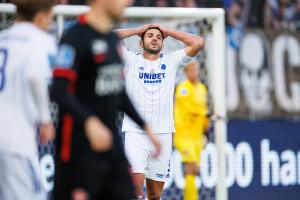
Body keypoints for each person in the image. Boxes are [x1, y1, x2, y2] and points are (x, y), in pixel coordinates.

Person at [51, 0, 161, 200]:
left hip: (111, 147)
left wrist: (146, 127)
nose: (129, 2)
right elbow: (58, 90)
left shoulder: (112, 39)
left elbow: (118, 92)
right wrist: (89, 121)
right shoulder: (74, 37)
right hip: (78, 151)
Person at [116, 24, 205, 199]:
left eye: (158, 36)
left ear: (163, 42)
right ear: (141, 42)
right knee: (135, 189)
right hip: (135, 134)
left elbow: (198, 42)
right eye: (149, 35)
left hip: (163, 133)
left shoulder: (171, 61)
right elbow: (110, 36)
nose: (155, 38)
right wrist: (138, 29)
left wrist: (168, 32)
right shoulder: (131, 60)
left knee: (155, 195)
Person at [0, 0, 56, 199]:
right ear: (41, 16)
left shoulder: (3, 37)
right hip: (16, 139)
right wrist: (45, 119)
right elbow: (35, 76)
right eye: (50, 17)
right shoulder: (40, 40)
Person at [174, 60, 210, 200]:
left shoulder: (202, 88)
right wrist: (205, 113)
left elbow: (204, 113)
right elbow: (190, 109)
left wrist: (205, 131)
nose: (194, 72)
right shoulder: (183, 88)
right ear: (185, 72)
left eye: (196, 68)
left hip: (196, 136)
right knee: (191, 166)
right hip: (184, 135)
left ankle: (191, 197)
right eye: (191, 69)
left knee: (194, 170)